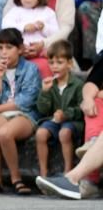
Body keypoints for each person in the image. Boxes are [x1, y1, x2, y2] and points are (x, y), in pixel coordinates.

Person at [0, 27, 40, 195]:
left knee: (5, 133)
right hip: (1, 112)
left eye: (9, 47)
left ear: (20, 49)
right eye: (0, 48)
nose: (4, 52)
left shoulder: (31, 69)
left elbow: (26, 101)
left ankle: (16, 178)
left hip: (24, 114)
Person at [34, 41, 82, 178]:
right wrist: (44, 92)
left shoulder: (77, 84)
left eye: (59, 62)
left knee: (64, 133)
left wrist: (66, 115)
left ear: (69, 64)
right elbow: (43, 110)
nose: (54, 67)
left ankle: (68, 171)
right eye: (51, 62)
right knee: (41, 133)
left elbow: (81, 109)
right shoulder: (49, 84)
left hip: (72, 122)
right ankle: (43, 173)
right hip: (53, 121)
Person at [1, 0, 58, 78]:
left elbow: (56, 33)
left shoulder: (48, 12)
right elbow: (5, 26)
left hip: (41, 54)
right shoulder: (15, 11)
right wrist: (23, 27)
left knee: (44, 67)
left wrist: (44, 27)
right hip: (18, 56)